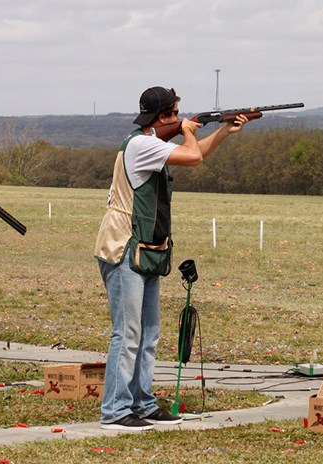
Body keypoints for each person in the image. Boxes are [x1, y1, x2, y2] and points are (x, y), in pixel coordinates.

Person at [94, 86, 247, 431]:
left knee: (148, 333)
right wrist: (190, 131)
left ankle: (142, 403)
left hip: (146, 248)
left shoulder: (151, 142)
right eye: (175, 114)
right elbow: (191, 155)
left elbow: (195, 155)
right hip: (124, 248)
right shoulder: (141, 144)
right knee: (128, 333)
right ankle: (115, 411)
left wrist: (223, 131)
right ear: (163, 116)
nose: (179, 119)